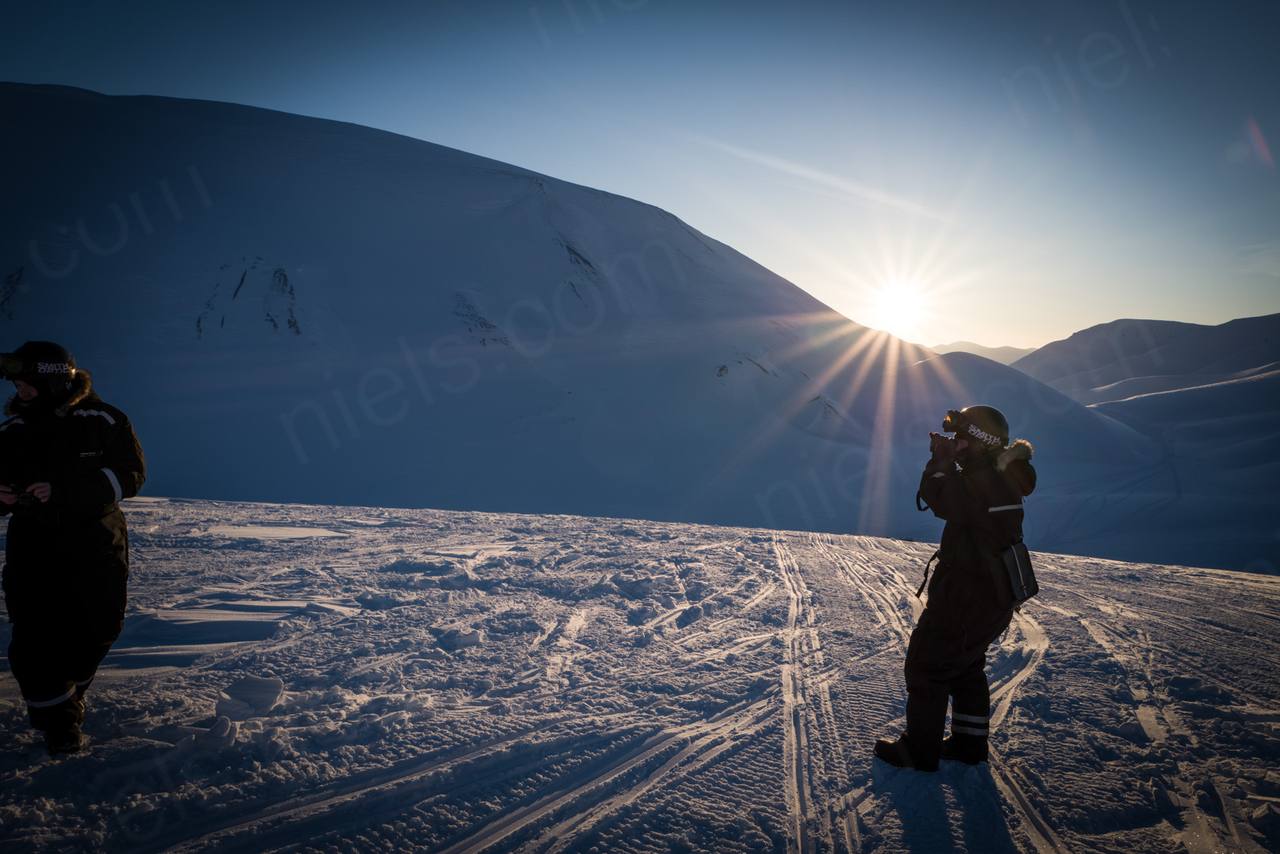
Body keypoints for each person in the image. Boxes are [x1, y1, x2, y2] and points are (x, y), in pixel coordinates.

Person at [0, 341, 146, 755]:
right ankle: (58, 725)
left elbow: (131, 475)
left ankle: (68, 693)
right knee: (32, 640)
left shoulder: (103, 420)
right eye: (15, 384)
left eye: (26, 383)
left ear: (51, 379)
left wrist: (64, 491)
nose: (18, 391)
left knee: (99, 628)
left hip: (97, 547)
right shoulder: (12, 433)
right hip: (33, 550)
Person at [874, 404, 1036, 771]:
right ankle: (968, 743)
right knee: (965, 667)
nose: (955, 442)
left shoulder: (988, 482)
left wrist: (941, 462)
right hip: (988, 596)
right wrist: (951, 459)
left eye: (962, 438)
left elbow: (940, 498)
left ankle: (919, 751)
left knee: (927, 666)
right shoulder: (998, 475)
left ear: (981, 442)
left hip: (969, 595)